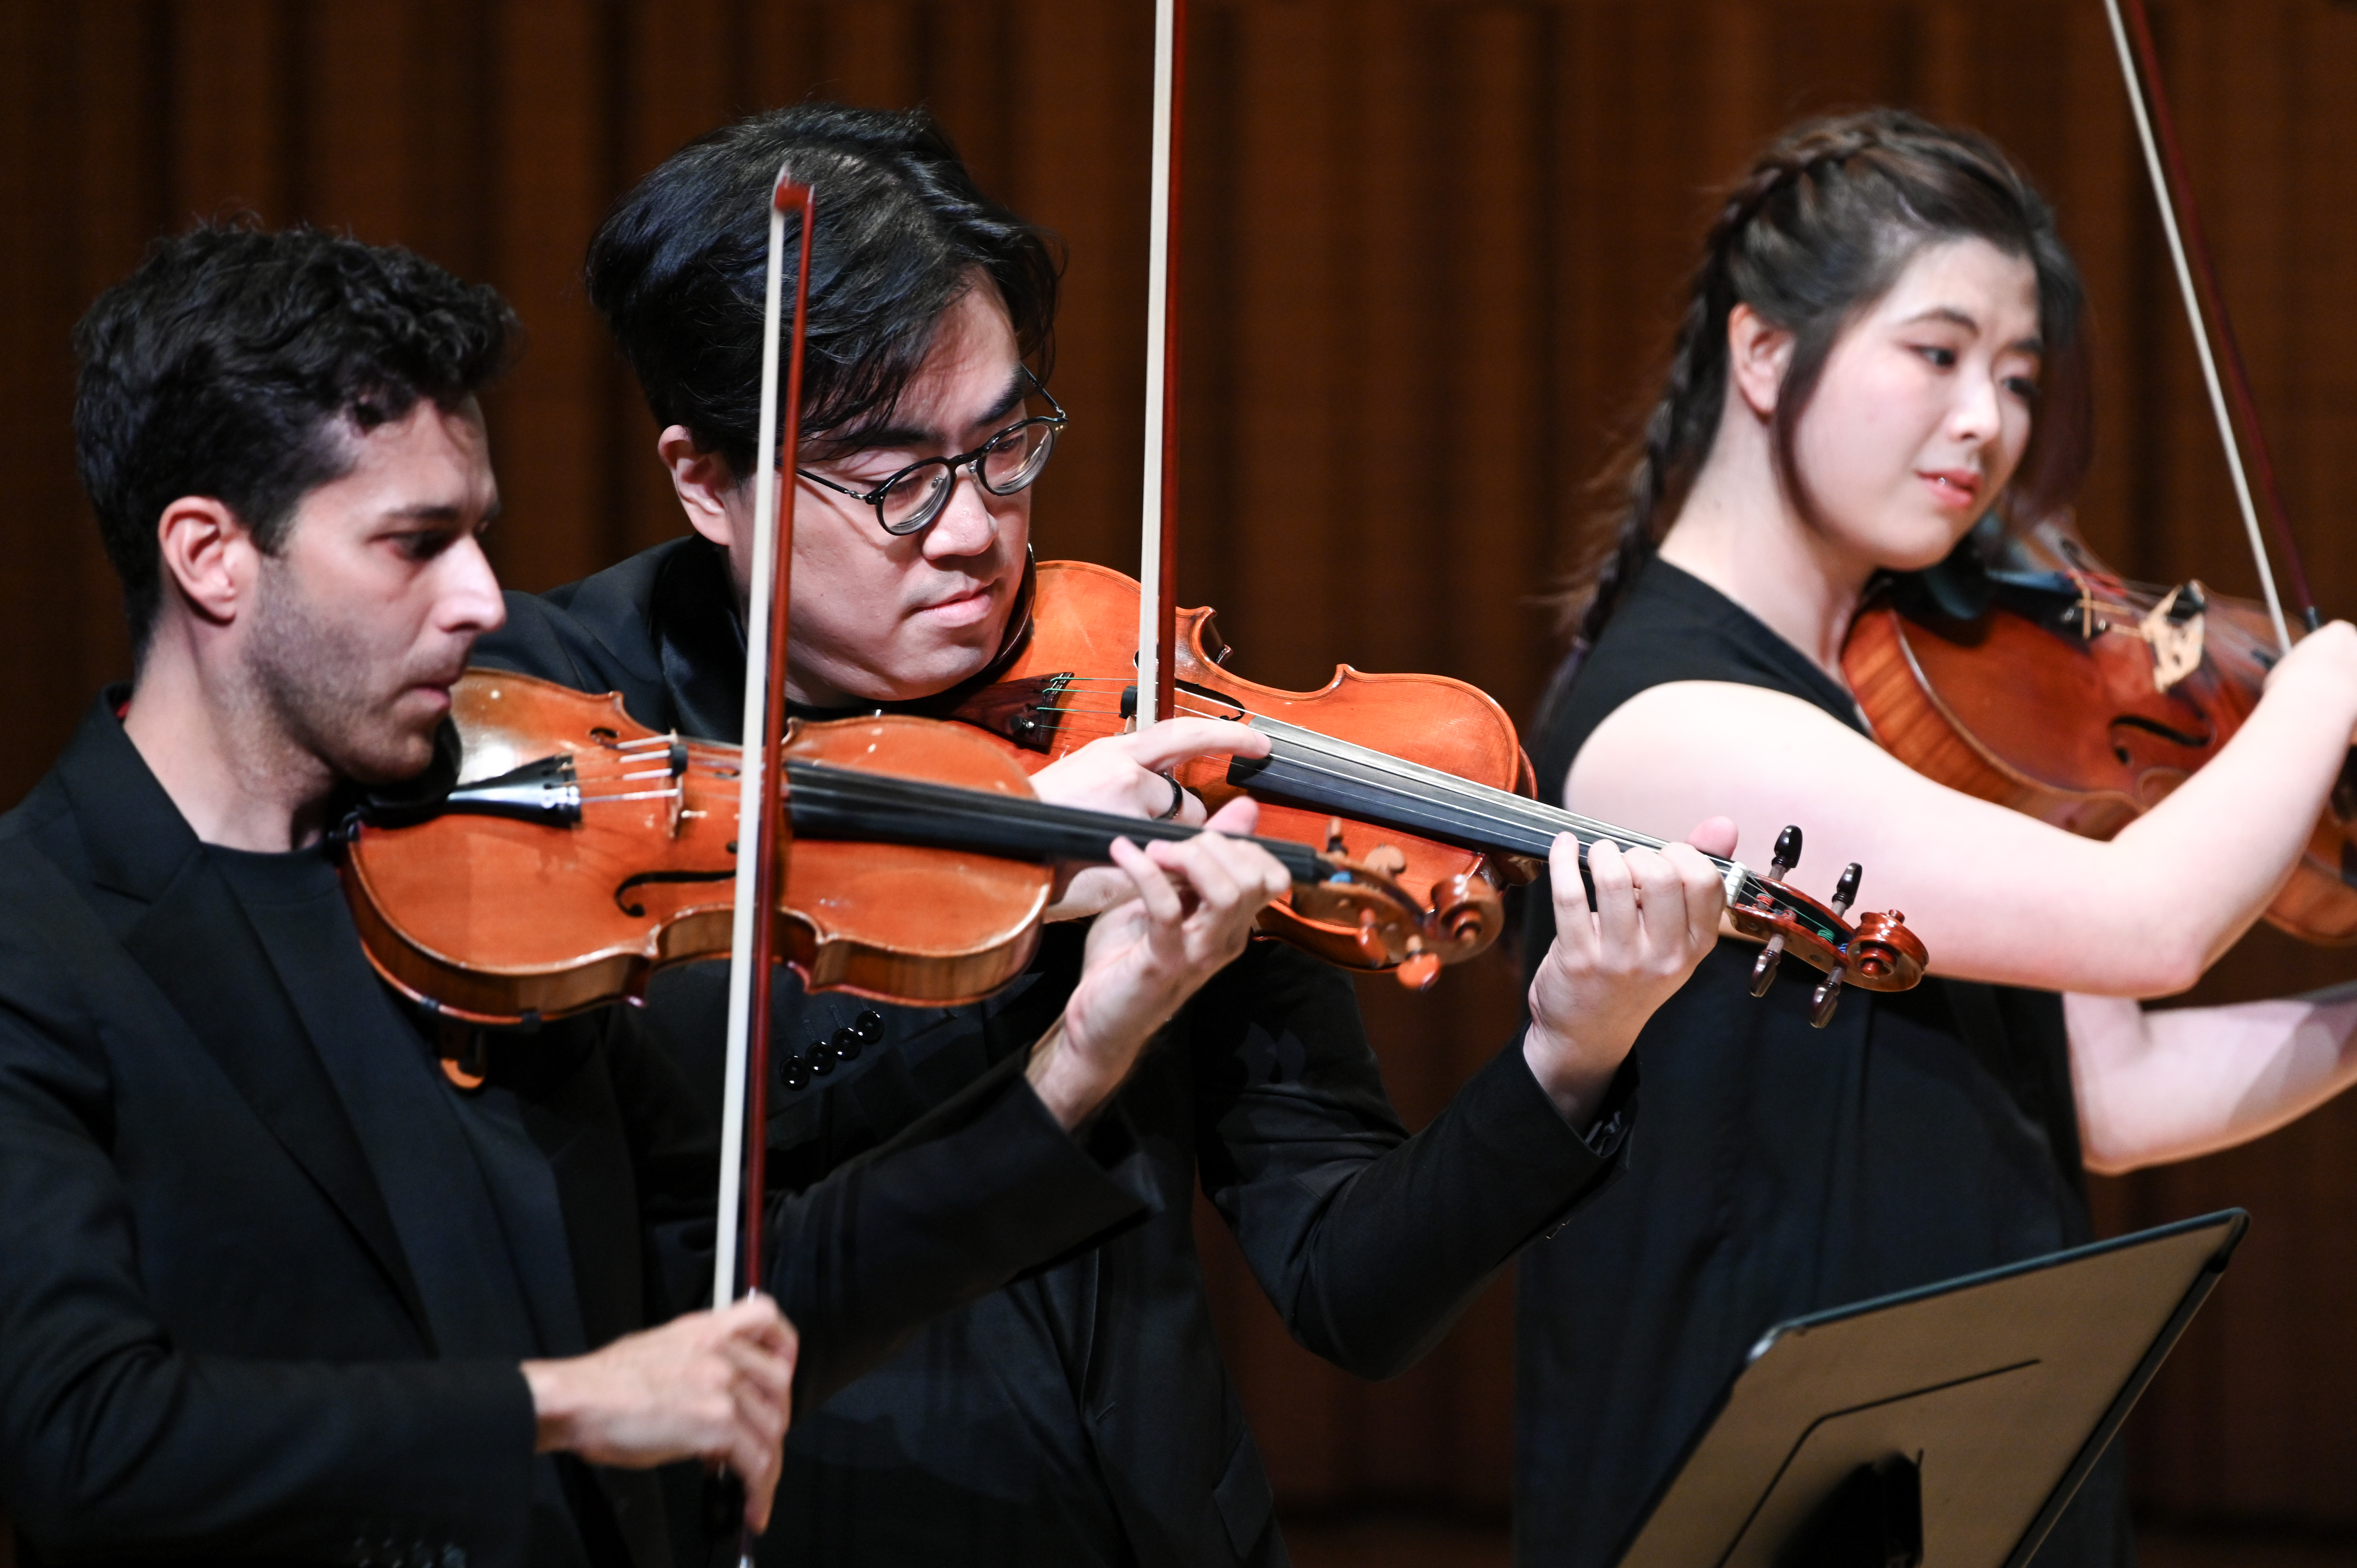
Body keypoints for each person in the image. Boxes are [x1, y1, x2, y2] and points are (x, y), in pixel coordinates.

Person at [474, 102, 1735, 1568]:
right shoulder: (565, 712)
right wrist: (996, 855)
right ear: (705, 479)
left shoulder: (1131, 722)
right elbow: (618, 1139)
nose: (969, 532)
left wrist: (1570, 1050)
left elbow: (1351, 1287)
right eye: (891, 479)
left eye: (1006, 446)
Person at [0, 223, 1300, 1568]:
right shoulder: (39, 943)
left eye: (479, 537)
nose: (479, 599)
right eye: (413, 545)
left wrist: (1083, 1060)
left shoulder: (483, 878)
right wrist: (561, 1403)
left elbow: (745, 1298)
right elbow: (83, 1436)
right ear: (212, 556)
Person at [1514, 108, 2357, 1567]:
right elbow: (2145, 919)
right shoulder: (1665, 723)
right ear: (1767, 356)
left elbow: (2119, 1092)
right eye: (1939, 352)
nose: (1992, 420)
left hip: (1972, 1458)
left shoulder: (1930, 695)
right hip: (1762, 1492)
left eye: (2017, 375)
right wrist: (2329, 676)